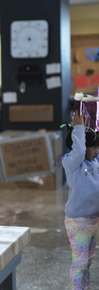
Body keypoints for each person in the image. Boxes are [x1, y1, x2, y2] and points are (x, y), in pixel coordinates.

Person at [62, 111, 99, 290]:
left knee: (87, 263)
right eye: (94, 147)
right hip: (78, 222)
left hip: (94, 221)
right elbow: (80, 151)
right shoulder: (71, 163)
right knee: (80, 264)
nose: (97, 151)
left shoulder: (96, 162)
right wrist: (78, 127)